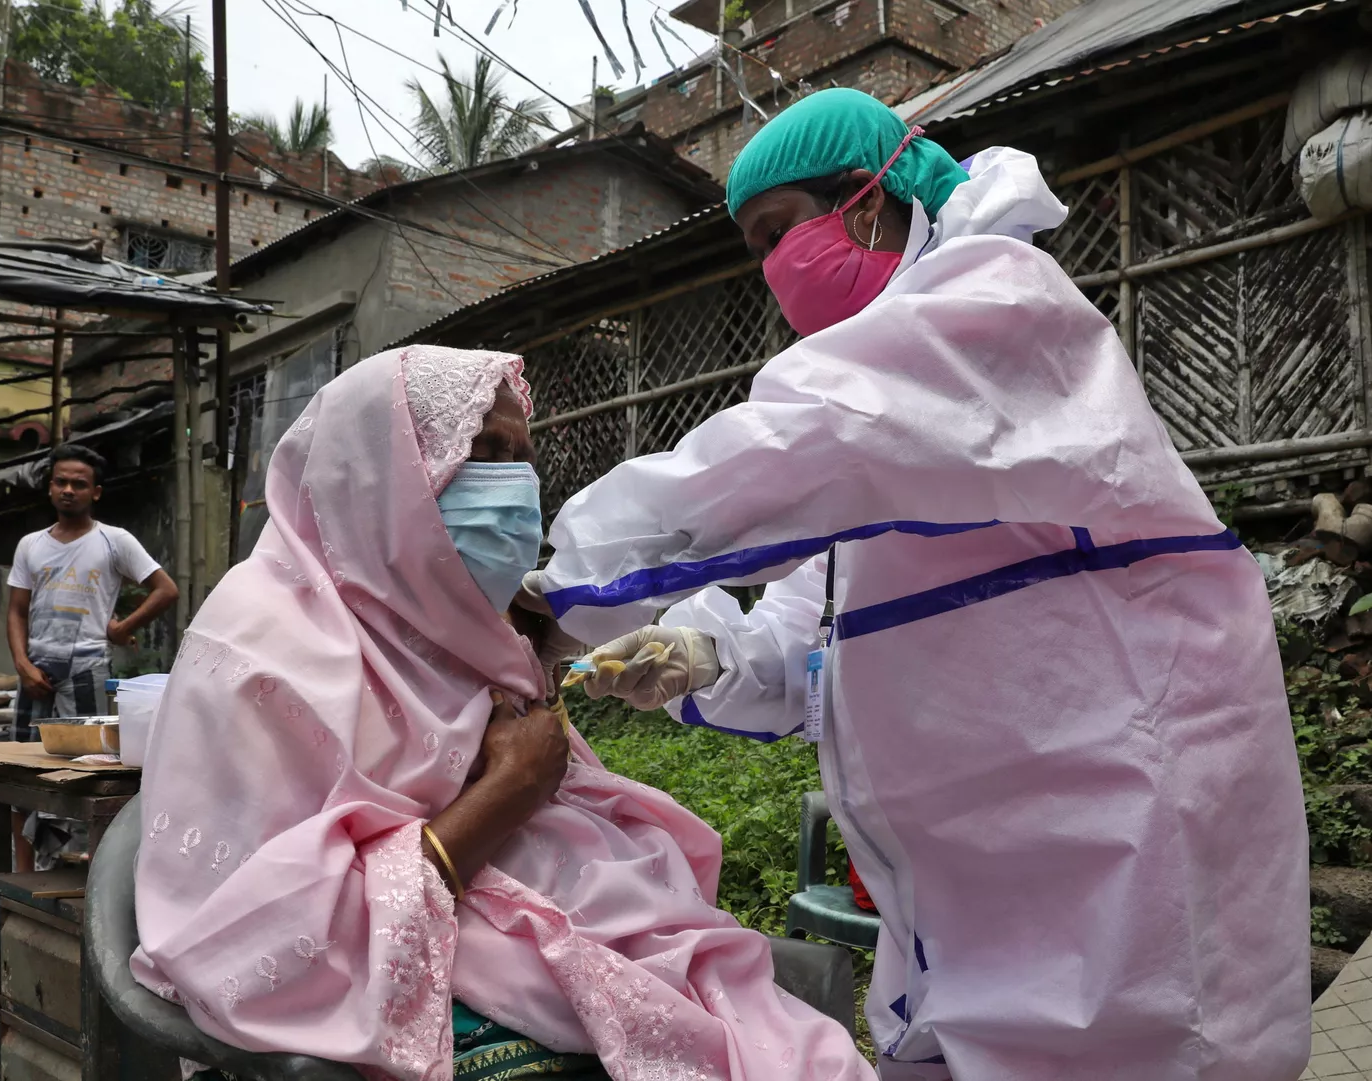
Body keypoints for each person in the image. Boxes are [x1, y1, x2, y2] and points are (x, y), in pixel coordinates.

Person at [516, 89, 1311, 1081]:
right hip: (965, 895)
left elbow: (792, 447)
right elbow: (818, 639)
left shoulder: (995, 305)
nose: (773, 270)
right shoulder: (892, 421)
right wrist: (701, 655)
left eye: (778, 230)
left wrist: (558, 592)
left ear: (868, 196)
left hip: (1114, 855)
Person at [130, 346, 873, 1081]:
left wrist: (564, 658)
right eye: (481, 450)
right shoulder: (259, 648)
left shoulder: (454, 622)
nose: (513, 484)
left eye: (521, 456)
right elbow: (256, 941)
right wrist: (510, 790)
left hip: (541, 927)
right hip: (420, 964)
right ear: (376, 474)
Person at [7, 443, 178, 736]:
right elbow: (17, 611)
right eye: (61, 482)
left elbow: (166, 589)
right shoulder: (30, 544)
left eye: (79, 484)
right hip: (36, 668)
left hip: (86, 667)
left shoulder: (114, 540)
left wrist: (123, 628)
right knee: (20, 751)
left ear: (95, 492)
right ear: (50, 488)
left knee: (83, 753)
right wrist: (23, 665)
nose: (68, 490)